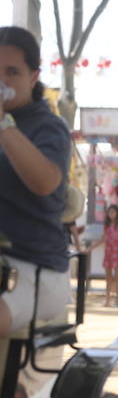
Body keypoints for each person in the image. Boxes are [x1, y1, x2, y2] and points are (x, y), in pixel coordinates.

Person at [0, 25, 73, 346]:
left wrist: (3, 124)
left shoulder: (49, 128)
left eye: (11, 72)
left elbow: (44, 182)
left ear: (32, 77)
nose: (1, 80)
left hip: (32, 270)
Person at [99, 204, 118, 307]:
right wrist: (90, 249)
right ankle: (108, 300)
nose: (111, 214)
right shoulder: (106, 226)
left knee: (117, 276)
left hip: (117, 252)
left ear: (117, 213)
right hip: (108, 253)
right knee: (108, 277)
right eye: (109, 212)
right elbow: (103, 239)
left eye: (113, 212)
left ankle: (117, 300)